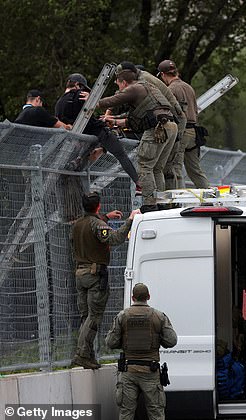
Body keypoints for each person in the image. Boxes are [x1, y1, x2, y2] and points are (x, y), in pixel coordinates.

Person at [71, 191, 141, 369]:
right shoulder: (98, 224)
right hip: (95, 275)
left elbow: (93, 226)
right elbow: (115, 238)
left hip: (80, 273)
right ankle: (81, 354)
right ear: (99, 205)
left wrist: (105, 218)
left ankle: (87, 354)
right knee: (94, 317)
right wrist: (131, 220)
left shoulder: (77, 224)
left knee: (86, 317)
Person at [98, 66, 178, 213]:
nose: (119, 88)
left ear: (124, 82)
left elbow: (113, 100)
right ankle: (160, 203)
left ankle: (149, 205)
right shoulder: (147, 88)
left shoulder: (133, 88)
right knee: (157, 168)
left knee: (145, 166)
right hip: (170, 126)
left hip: (157, 129)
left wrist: (93, 101)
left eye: (119, 84)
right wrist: (114, 121)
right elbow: (134, 120)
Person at [55, 73, 140, 192]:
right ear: (78, 85)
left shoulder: (58, 104)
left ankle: (79, 158)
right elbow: (89, 117)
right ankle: (138, 182)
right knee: (120, 154)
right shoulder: (81, 95)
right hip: (95, 132)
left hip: (77, 138)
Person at [106, 283, 178, 420]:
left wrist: (124, 340)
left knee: (126, 413)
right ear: (148, 297)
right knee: (156, 413)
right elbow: (171, 341)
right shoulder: (158, 316)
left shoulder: (122, 316)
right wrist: (158, 338)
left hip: (129, 371)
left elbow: (110, 342)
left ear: (133, 298)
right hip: (150, 371)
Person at [116, 61, 187, 191]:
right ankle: (168, 203)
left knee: (167, 168)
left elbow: (144, 108)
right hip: (174, 122)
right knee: (163, 168)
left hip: (170, 121)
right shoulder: (144, 80)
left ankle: (164, 202)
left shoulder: (144, 81)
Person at [158, 59, 210, 189]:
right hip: (194, 133)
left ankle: (178, 200)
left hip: (182, 132)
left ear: (163, 75)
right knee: (195, 170)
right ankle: (210, 197)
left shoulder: (170, 90)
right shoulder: (188, 87)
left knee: (175, 167)